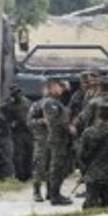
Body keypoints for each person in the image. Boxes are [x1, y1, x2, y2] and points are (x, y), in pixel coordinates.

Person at [79, 102, 108, 209]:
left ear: (98, 115)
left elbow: (81, 155)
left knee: (91, 206)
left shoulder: (88, 132)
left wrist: (84, 172)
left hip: (93, 175)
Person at [42, 78, 74, 206]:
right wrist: (69, 128)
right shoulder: (51, 103)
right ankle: (55, 195)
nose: (61, 88)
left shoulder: (57, 102)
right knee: (57, 168)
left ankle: (52, 193)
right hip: (58, 139)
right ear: (51, 88)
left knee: (55, 167)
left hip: (59, 139)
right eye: (58, 86)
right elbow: (55, 121)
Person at [27, 81, 50, 202]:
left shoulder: (57, 105)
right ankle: (37, 191)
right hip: (41, 140)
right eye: (47, 89)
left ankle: (52, 191)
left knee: (53, 167)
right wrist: (42, 121)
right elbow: (29, 122)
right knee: (39, 166)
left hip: (54, 141)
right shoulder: (36, 105)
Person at [7, 84, 33, 181]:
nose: (16, 95)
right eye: (14, 93)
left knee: (29, 154)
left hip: (28, 132)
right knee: (18, 155)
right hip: (18, 132)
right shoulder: (10, 104)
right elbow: (6, 117)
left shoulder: (28, 102)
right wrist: (12, 124)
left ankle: (28, 175)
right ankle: (20, 176)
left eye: (18, 92)